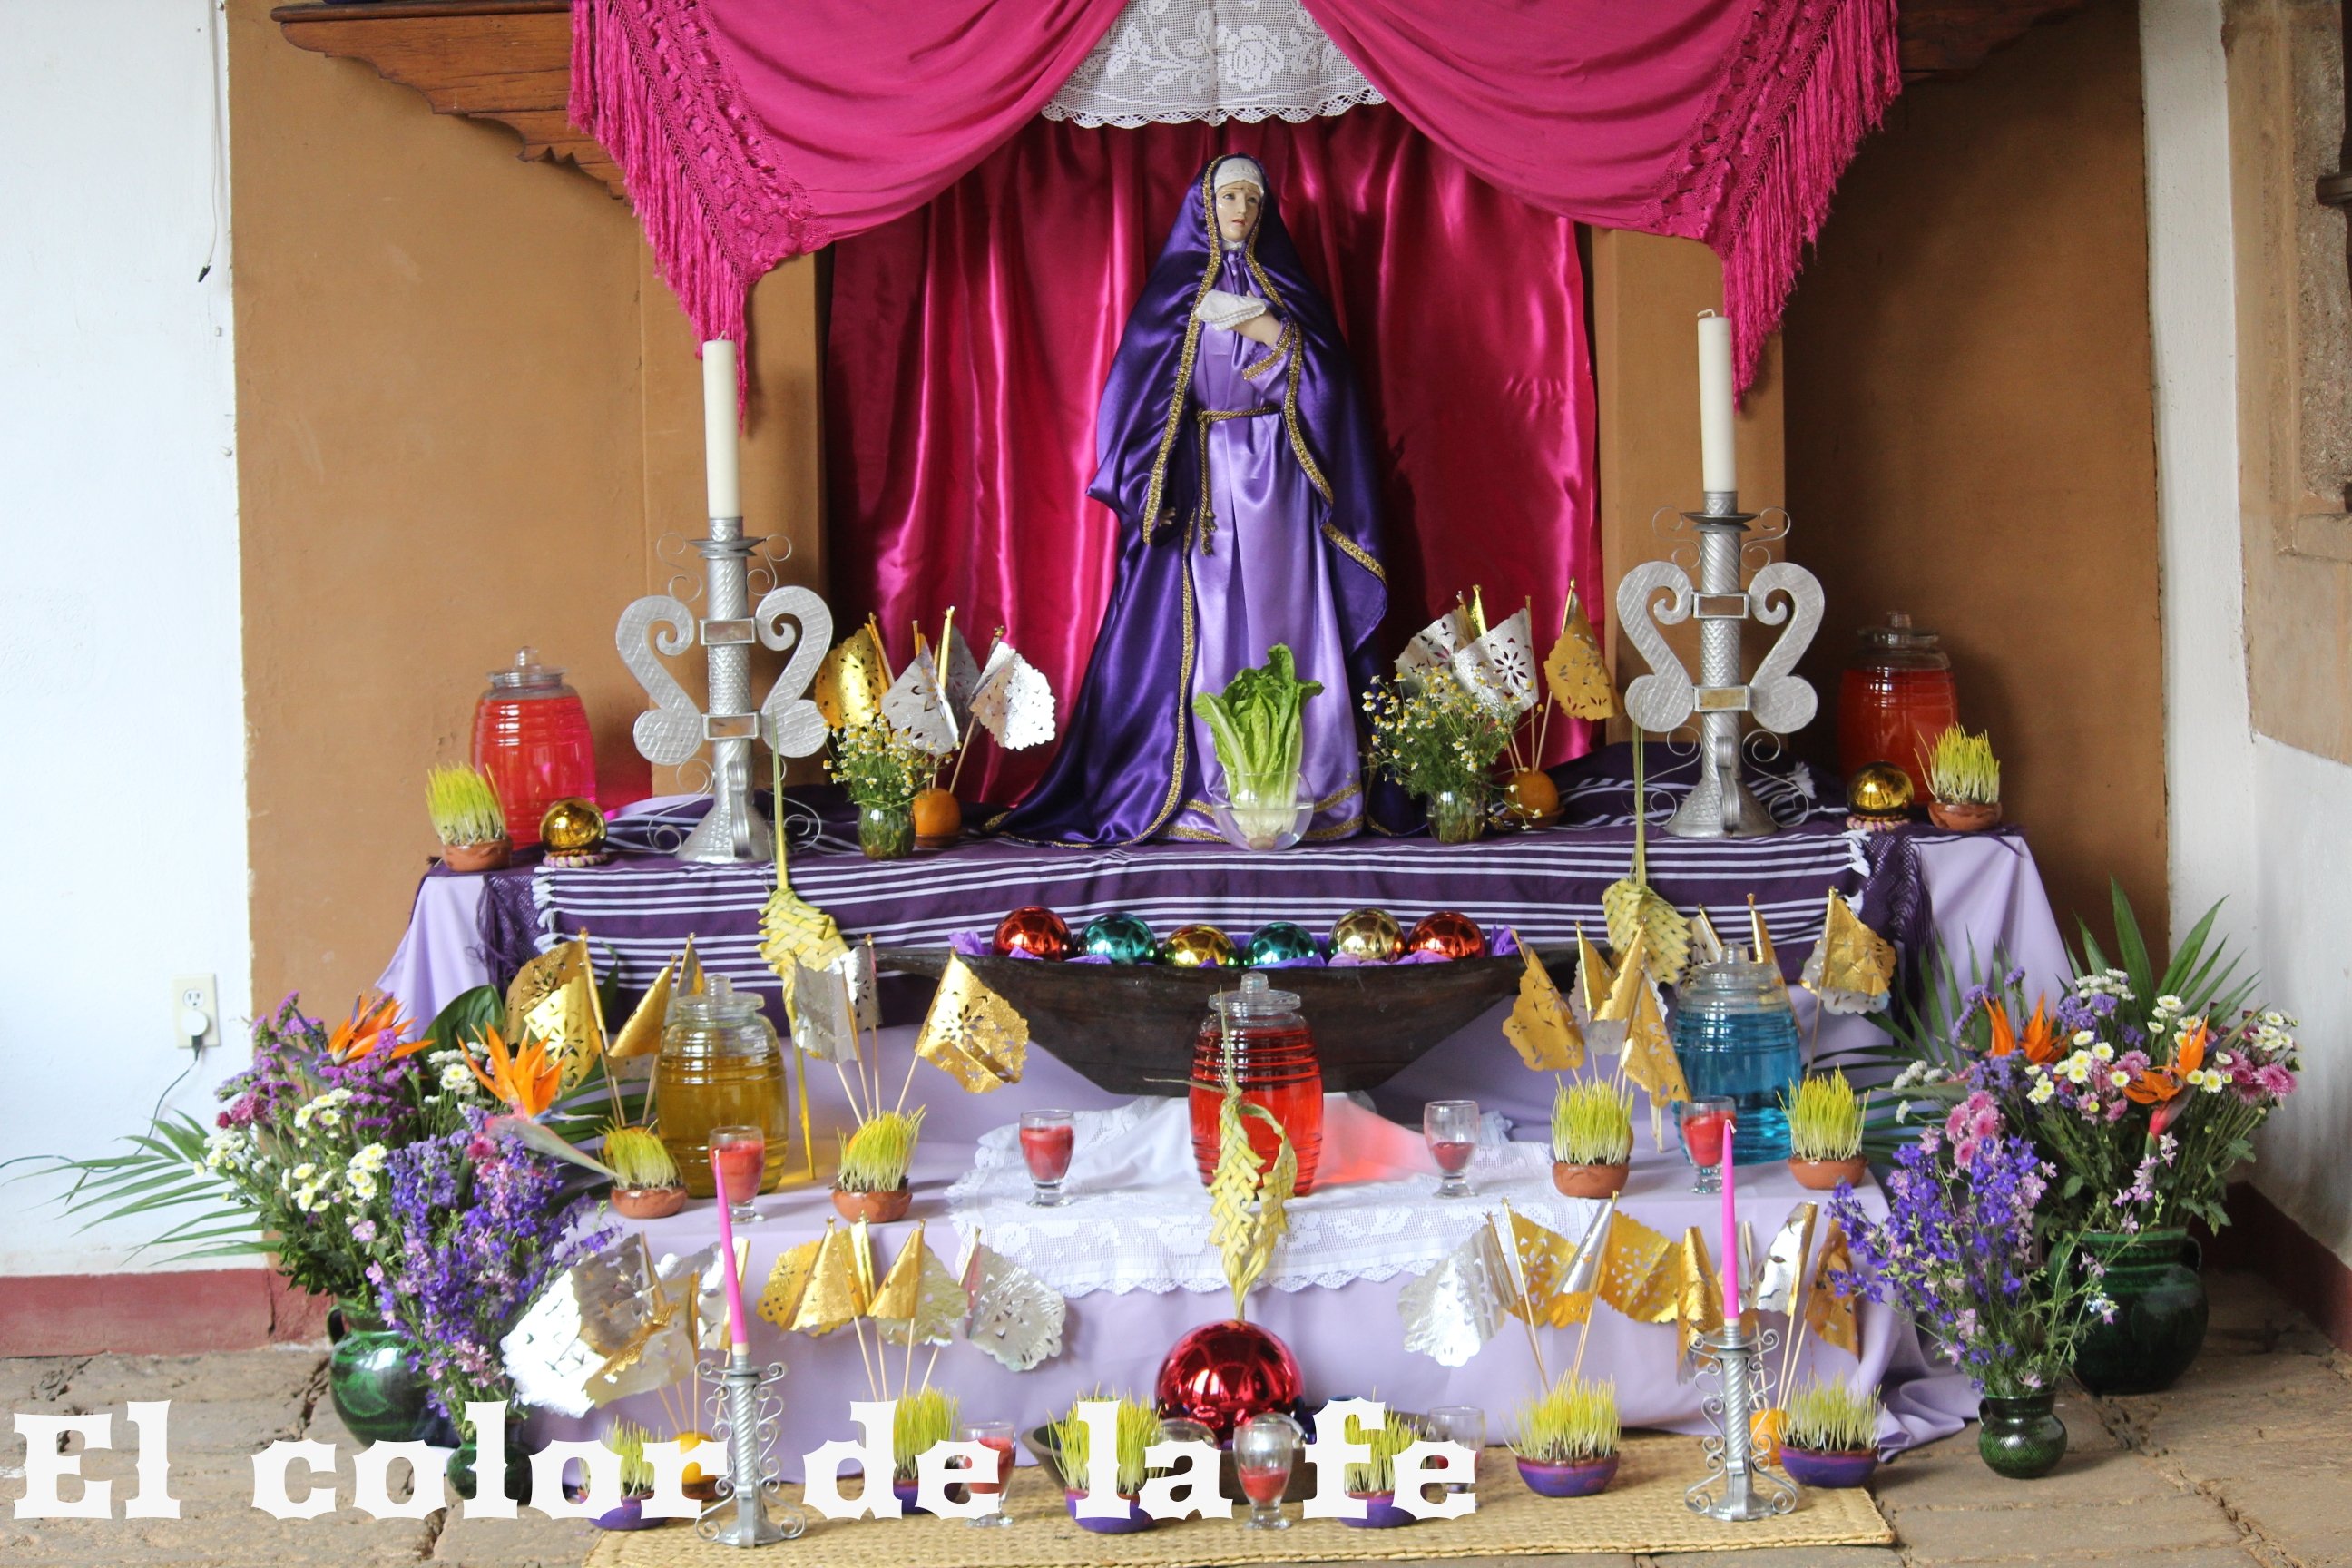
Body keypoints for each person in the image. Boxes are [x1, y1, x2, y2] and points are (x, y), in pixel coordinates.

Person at [996, 154, 1387, 846]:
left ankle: (1302, 789)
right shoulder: (1174, 292)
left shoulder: (1285, 289)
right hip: (1206, 476)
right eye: (1229, 196)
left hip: (1279, 475)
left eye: (1251, 199)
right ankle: (1212, 791)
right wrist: (1151, 484)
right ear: (1204, 205)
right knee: (1212, 624)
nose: (1240, 210)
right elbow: (1135, 394)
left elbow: (1330, 387)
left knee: (1285, 619)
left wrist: (1267, 332)